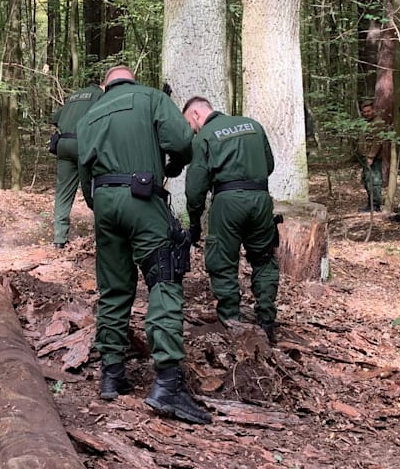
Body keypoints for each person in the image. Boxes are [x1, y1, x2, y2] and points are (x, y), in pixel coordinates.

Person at [76, 66, 209, 425]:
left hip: (105, 205)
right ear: (131, 79)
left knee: (114, 287)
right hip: (142, 196)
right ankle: (167, 384)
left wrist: (103, 204)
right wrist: (174, 165)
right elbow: (182, 141)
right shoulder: (151, 98)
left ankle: (112, 375)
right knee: (164, 277)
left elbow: (85, 177)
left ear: (105, 85)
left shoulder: (89, 116)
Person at [184, 96, 280, 344]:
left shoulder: (205, 137)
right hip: (260, 199)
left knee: (222, 262)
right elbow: (269, 165)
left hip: (227, 203)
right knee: (264, 259)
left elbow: (195, 187)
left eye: (191, 125)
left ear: (196, 114)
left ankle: (231, 322)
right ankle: (266, 320)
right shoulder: (253, 125)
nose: (193, 131)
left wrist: (194, 221)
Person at [49, 81, 103, 248]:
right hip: (83, 144)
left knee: (63, 192)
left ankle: (59, 238)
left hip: (63, 144)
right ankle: (102, 234)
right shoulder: (100, 95)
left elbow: (54, 118)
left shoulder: (74, 96)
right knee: (95, 189)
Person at [357, 101, 388, 212]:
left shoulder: (378, 123)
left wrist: (371, 156)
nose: (366, 113)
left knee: (374, 181)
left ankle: (375, 205)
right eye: (364, 112)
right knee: (367, 180)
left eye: (368, 111)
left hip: (373, 158)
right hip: (365, 156)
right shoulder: (365, 123)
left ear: (373, 110)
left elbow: (377, 141)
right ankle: (370, 203)